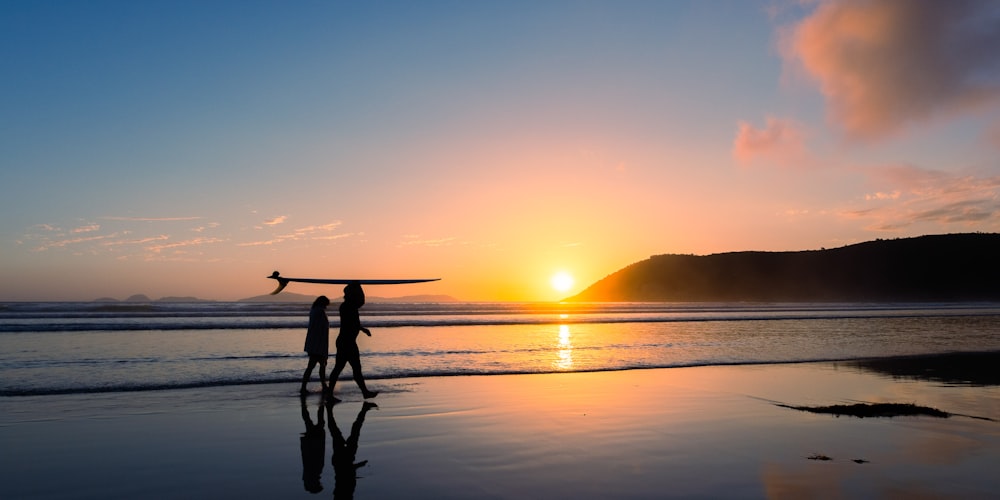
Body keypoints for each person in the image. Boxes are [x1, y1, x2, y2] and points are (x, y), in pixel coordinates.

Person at [328, 283, 378, 401]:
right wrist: (358, 286)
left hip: (348, 342)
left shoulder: (349, 306)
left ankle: (364, 392)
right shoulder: (347, 306)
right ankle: (330, 395)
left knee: (353, 368)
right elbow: (362, 301)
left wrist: (363, 329)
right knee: (341, 368)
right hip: (346, 342)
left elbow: (354, 322)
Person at [301, 295, 331, 395]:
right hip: (318, 343)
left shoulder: (314, 310)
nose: (327, 307)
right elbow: (321, 328)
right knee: (318, 366)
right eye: (326, 304)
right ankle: (321, 386)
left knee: (315, 366)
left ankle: (321, 386)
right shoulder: (320, 312)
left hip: (313, 342)